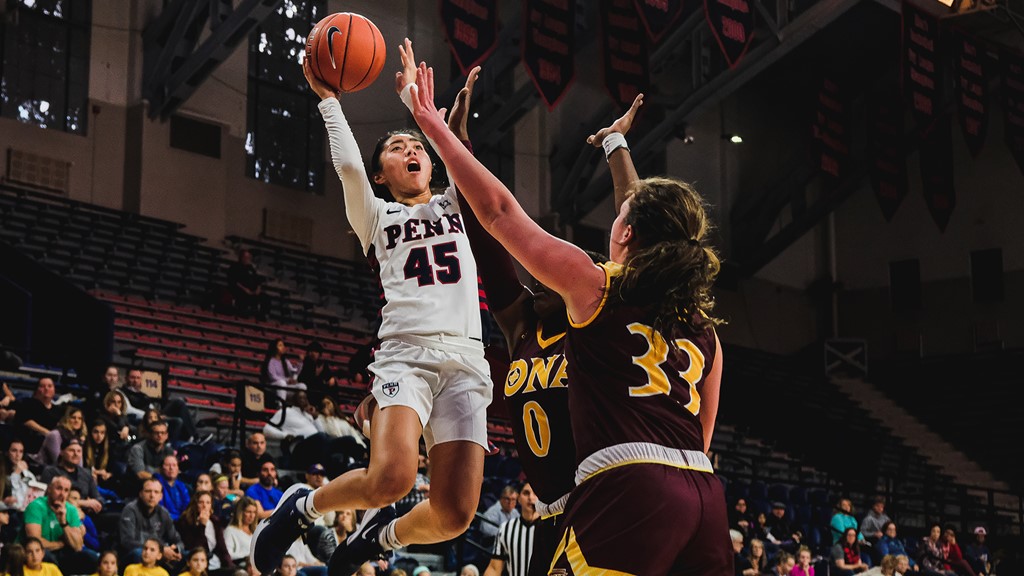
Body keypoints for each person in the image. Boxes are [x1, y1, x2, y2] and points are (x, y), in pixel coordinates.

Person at [408, 54, 730, 575]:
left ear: (624, 233)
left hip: (625, 486)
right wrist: (616, 144)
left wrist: (437, 131)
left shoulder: (596, 288)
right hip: (701, 491)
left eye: (621, 217)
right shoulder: (700, 324)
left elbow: (500, 213)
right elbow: (701, 437)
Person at [252, 39, 493, 575]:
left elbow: (463, 160)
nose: (413, 151)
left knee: (455, 514)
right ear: (382, 173)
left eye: (418, 147)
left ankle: (379, 539)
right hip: (406, 355)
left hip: (469, 360)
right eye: (397, 147)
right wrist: (328, 100)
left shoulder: (456, 202)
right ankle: (302, 507)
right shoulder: (377, 217)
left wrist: (428, 117)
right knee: (393, 479)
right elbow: (348, 170)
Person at [23, 476, 96, 575]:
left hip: (62, 554)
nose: (62, 494)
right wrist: (62, 544)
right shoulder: (35, 506)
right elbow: (35, 543)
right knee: (46, 556)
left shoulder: (71, 510)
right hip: (41, 554)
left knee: (91, 557)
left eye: (66, 490)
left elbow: (78, 546)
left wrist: (63, 522)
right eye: (59, 488)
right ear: (49, 489)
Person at [117, 478, 185, 567]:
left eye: (156, 492)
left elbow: (178, 540)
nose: (152, 495)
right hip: (133, 556)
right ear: (141, 494)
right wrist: (160, 550)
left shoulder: (164, 513)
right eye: (148, 491)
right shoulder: (130, 510)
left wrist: (176, 550)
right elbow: (127, 542)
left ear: (161, 496)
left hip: (158, 555)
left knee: (186, 556)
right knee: (139, 553)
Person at [481, 482, 539, 576]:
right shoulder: (505, 529)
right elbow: (494, 569)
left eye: (535, 493)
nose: (531, 498)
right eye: (526, 493)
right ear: (519, 498)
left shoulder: (552, 528)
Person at [174, 491, 234, 576]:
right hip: (197, 566)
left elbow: (222, 549)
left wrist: (230, 567)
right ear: (195, 504)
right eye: (201, 502)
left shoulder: (215, 521)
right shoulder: (185, 522)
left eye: (208, 502)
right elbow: (195, 549)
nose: (204, 506)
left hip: (214, 564)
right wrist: (202, 526)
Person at [40, 437, 104, 514]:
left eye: (79, 451)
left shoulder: (86, 473)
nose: (76, 454)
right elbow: (48, 499)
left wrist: (96, 504)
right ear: (62, 452)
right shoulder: (50, 472)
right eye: (71, 451)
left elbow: (98, 498)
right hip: (60, 512)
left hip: (87, 513)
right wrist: (82, 503)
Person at [14, 378, 62, 456]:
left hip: (50, 449)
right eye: (42, 386)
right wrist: (48, 433)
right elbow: (25, 420)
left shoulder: (58, 410)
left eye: (50, 386)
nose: (46, 388)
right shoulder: (27, 403)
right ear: (36, 390)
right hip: (29, 446)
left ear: (54, 390)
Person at [226, 249, 268, 320]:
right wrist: (245, 289)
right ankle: (242, 314)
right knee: (243, 296)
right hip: (240, 290)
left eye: (249, 258)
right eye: (246, 257)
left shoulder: (250, 268)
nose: (248, 259)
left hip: (252, 292)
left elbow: (257, 280)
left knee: (265, 298)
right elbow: (233, 281)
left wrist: (258, 289)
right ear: (241, 257)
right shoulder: (235, 267)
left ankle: (262, 317)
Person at [259, 339, 304, 403]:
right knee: (281, 383)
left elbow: (294, 372)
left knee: (302, 386)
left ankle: (298, 407)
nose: (283, 347)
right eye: (280, 345)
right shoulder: (271, 361)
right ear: (274, 348)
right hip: (273, 386)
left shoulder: (285, 361)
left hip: (284, 386)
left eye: (283, 345)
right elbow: (273, 377)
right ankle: (280, 406)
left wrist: (300, 362)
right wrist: (287, 380)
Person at [222, 496, 258, 568]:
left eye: (254, 512)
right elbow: (228, 554)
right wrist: (247, 556)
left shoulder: (255, 532)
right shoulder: (230, 531)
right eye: (248, 512)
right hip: (241, 567)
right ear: (240, 512)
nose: (252, 516)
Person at [860, 497, 891, 563]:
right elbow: (862, 532)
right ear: (873, 506)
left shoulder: (885, 518)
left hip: (887, 538)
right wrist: (874, 534)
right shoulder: (868, 519)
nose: (880, 508)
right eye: (878, 506)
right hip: (874, 541)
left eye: (882, 507)